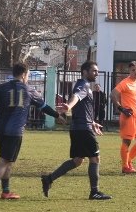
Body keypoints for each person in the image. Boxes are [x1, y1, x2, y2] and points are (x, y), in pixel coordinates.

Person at [0, 62, 63, 201]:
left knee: (7, 161)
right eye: (28, 74)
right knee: (5, 162)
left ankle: (6, 191)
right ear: (24, 74)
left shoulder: (0, 88)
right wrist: (57, 116)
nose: (27, 77)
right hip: (15, 130)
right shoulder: (29, 90)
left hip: (0, 129)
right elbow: (44, 107)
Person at [41, 60, 111, 200]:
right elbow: (75, 97)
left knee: (78, 160)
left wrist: (92, 122)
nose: (96, 73)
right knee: (95, 158)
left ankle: (49, 179)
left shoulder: (85, 86)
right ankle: (94, 192)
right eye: (94, 71)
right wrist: (68, 106)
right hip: (83, 129)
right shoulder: (83, 85)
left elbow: (83, 107)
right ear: (85, 72)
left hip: (79, 127)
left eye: (97, 71)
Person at [111, 61, 136, 174]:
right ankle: (125, 167)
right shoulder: (125, 83)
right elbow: (113, 94)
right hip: (128, 117)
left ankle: (128, 160)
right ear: (129, 71)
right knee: (127, 142)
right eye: (133, 70)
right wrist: (121, 109)